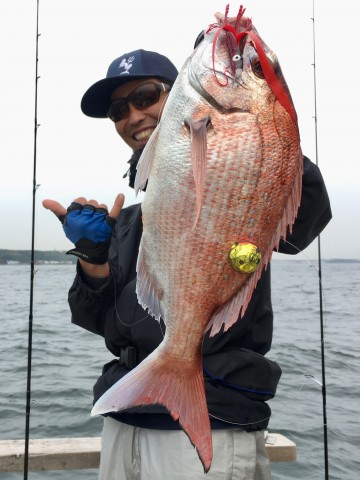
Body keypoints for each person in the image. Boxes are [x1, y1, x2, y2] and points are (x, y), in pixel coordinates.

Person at [43, 47, 332, 480]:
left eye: (145, 96)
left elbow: (306, 217)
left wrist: (260, 119)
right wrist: (93, 257)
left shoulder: (240, 178)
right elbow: (100, 319)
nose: (132, 116)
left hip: (213, 421)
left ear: (178, 92)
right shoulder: (133, 220)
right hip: (126, 417)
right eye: (119, 110)